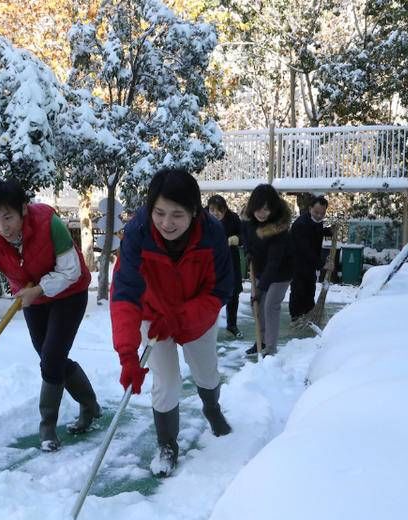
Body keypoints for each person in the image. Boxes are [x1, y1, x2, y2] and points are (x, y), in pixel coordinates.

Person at [111, 168, 234, 478]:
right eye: (159, 212)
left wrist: (180, 317)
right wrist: (127, 354)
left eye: (177, 214)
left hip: (196, 317)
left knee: (205, 373)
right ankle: (167, 444)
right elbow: (124, 292)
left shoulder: (212, 235)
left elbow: (220, 290)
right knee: (166, 381)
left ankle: (212, 409)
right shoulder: (138, 233)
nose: (167, 223)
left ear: (194, 212)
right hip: (153, 318)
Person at [0, 179, 100, 452]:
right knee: (50, 357)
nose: (2, 227)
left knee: (51, 357)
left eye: (8, 217)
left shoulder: (49, 224)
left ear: (23, 209)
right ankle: (90, 406)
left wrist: (40, 289)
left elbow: (70, 270)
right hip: (31, 298)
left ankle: (47, 426)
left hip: (69, 293)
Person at [242, 183, 293, 356]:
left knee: (270, 304)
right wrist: (248, 252)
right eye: (258, 209)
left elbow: (274, 262)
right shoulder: (250, 223)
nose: (261, 213)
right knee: (256, 306)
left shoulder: (280, 230)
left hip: (280, 272)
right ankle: (261, 341)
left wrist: (261, 289)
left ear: (273, 208)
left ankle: (270, 348)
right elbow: (247, 239)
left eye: (266, 209)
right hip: (260, 269)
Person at [289, 195, 332, 321]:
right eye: (316, 212)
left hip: (310, 264)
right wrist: (322, 264)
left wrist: (328, 232)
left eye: (322, 213)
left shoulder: (316, 221)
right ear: (310, 208)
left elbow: (316, 232)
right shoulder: (300, 225)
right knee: (298, 290)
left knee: (309, 289)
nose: (319, 215)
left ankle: (309, 314)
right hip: (298, 263)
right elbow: (305, 249)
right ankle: (296, 317)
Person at [206, 194, 243, 338]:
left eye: (219, 211)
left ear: (225, 210)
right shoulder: (202, 219)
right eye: (212, 210)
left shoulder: (233, 218)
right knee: (210, 293)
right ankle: (207, 325)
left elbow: (243, 235)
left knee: (233, 292)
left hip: (230, 260)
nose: (215, 213)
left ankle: (232, 325)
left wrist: (237, 239)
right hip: (210, 261)